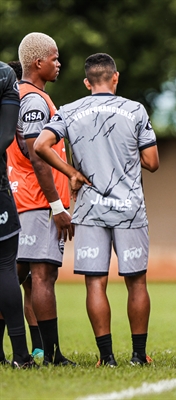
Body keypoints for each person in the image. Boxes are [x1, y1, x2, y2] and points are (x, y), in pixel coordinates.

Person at [34, 53, 159, 367]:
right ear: (115, 78)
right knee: (137, 282)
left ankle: (107, 358)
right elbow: (153, 163)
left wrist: (72, 173)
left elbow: (40, 145)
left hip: (90, 210)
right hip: (129, 207)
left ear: (87, 82)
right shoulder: (135, 110)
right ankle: (138, 356)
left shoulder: (70, 110)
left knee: (95, 282)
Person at [6, 32, 75, 366]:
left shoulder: (16, 94)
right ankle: (51, 354)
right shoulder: (34, 100)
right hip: (36, 202)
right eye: (55, 57)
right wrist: (58, 206)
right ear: (38, 62)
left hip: (22, 198)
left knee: (16, 276)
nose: (59, 64)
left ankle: (30, 352)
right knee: (41, 275)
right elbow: (37, 156)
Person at [6, 60, 43, 358]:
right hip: (24, 200)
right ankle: (32, 350)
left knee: (26, 280)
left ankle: (37, 348)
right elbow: (32, 152)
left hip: (14, 197)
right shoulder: (18, 114)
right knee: (15, 276)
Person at [0, 60, 35, 368]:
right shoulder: (5, 74)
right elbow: (7, 139)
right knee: (7, 269)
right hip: (5, 191)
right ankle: (23, 355)